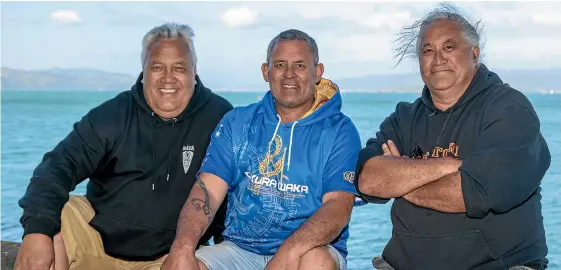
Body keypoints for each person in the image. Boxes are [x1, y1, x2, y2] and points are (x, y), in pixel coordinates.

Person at [14, 22, 233, 270]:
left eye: (179, 67)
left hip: (170, 255)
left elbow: (235, 194)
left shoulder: (221, 117)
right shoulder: (113, 115)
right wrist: (36, 231)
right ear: (144, 70)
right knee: (54, 218)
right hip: (98, 241)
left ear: (194, 71)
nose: (168, 78)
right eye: (158, 67)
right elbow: (58, 165)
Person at [355, 4, 551, 270]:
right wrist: (449, 165)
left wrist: (401, 179)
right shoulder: (405, 117)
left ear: (474, 53)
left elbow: (472, 194)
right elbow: (368, 179)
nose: (437, 59)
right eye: (427, 50)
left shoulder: (509, 110)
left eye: (449, 47)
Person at [162, 29, 361, 270]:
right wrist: (182, 247)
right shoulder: (238, 122)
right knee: (179, 264)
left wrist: (284, 256)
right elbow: (208, 191)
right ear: (266, 72)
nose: (289, 74)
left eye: (299, 65)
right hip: (241, 248)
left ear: (317, 72)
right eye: (279, 64)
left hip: (308, 249)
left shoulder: (339, 130)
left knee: (315, 262)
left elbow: (338, 207)